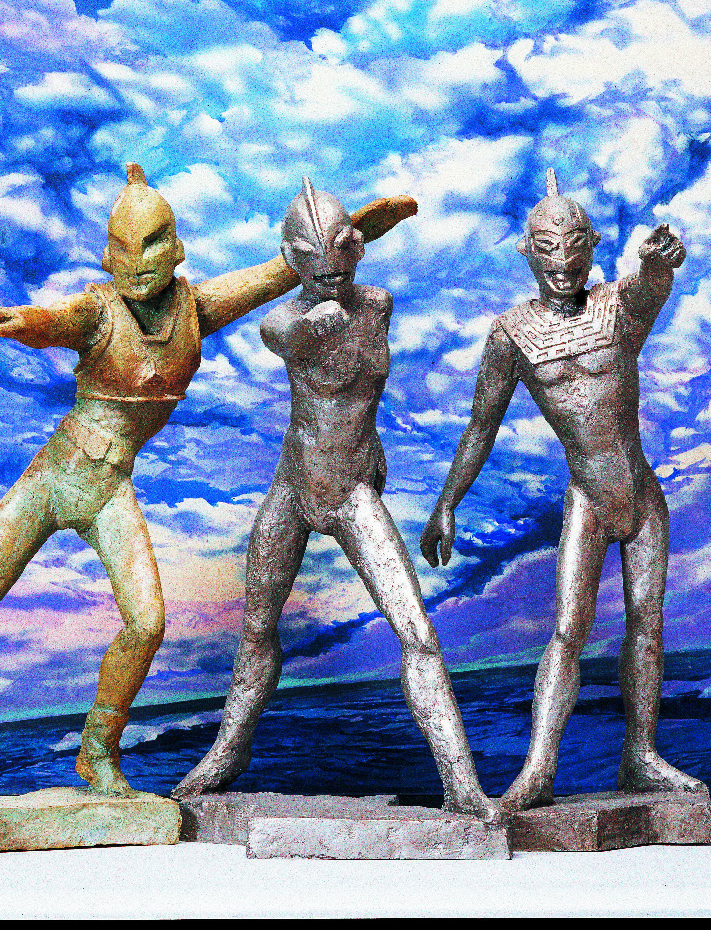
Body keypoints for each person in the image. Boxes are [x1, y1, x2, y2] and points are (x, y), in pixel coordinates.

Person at [0, 164, 416, 817]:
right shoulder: (97, 310)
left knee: (146, 625)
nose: (138, 264)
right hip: (52, 478)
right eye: (124, 250)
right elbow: (55, 320)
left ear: (177, 250)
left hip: (109, 488)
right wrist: (15, 320)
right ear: (108, 257)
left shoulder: (195, 309)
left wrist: (359, 227)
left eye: (152, 246)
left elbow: (284, 269)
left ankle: (98, 752)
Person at [172, 180, 496, 821]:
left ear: (355, 251)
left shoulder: (378, 304)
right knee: (258, 630)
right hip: (294, 488)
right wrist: (310, 322)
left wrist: (374, 448)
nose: (331, 278)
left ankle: (462, 784)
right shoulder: (283, 322)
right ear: (292, 261)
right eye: (314, 267)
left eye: (341, 260)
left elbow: (362, 386)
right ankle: (225, 754)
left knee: (417, 632)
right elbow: (289, 336)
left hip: (352, 489)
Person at [420, 168, 703, 816]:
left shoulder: (615, 308)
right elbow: (480, 425)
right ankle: (539, 768)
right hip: (589, 499)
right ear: (527, 251)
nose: (562, 261)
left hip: (641, 495)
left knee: (647, 623)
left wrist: (658, 259)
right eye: (547, 248)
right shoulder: (511, 335)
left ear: (593, 246)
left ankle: (640, 755)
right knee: (567, 631)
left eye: (575, 245)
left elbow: (651, 284)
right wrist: (446, 503)